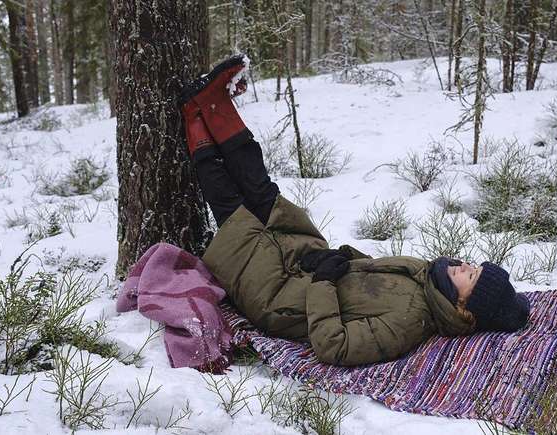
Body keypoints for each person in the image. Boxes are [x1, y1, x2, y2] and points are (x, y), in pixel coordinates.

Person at [179, 54, 531, 366]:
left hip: (278, 295)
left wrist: (323, 282)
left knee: (234, 212)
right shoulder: (425, 275)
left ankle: (194, 117)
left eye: (470, 276)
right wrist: (337, 259)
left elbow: (337, 347)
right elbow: (365, 273)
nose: (465, 265)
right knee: (264, 193)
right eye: (474, 265)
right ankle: (216, 107)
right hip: (308, 259)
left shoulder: (408, 323)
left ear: (462, 308)